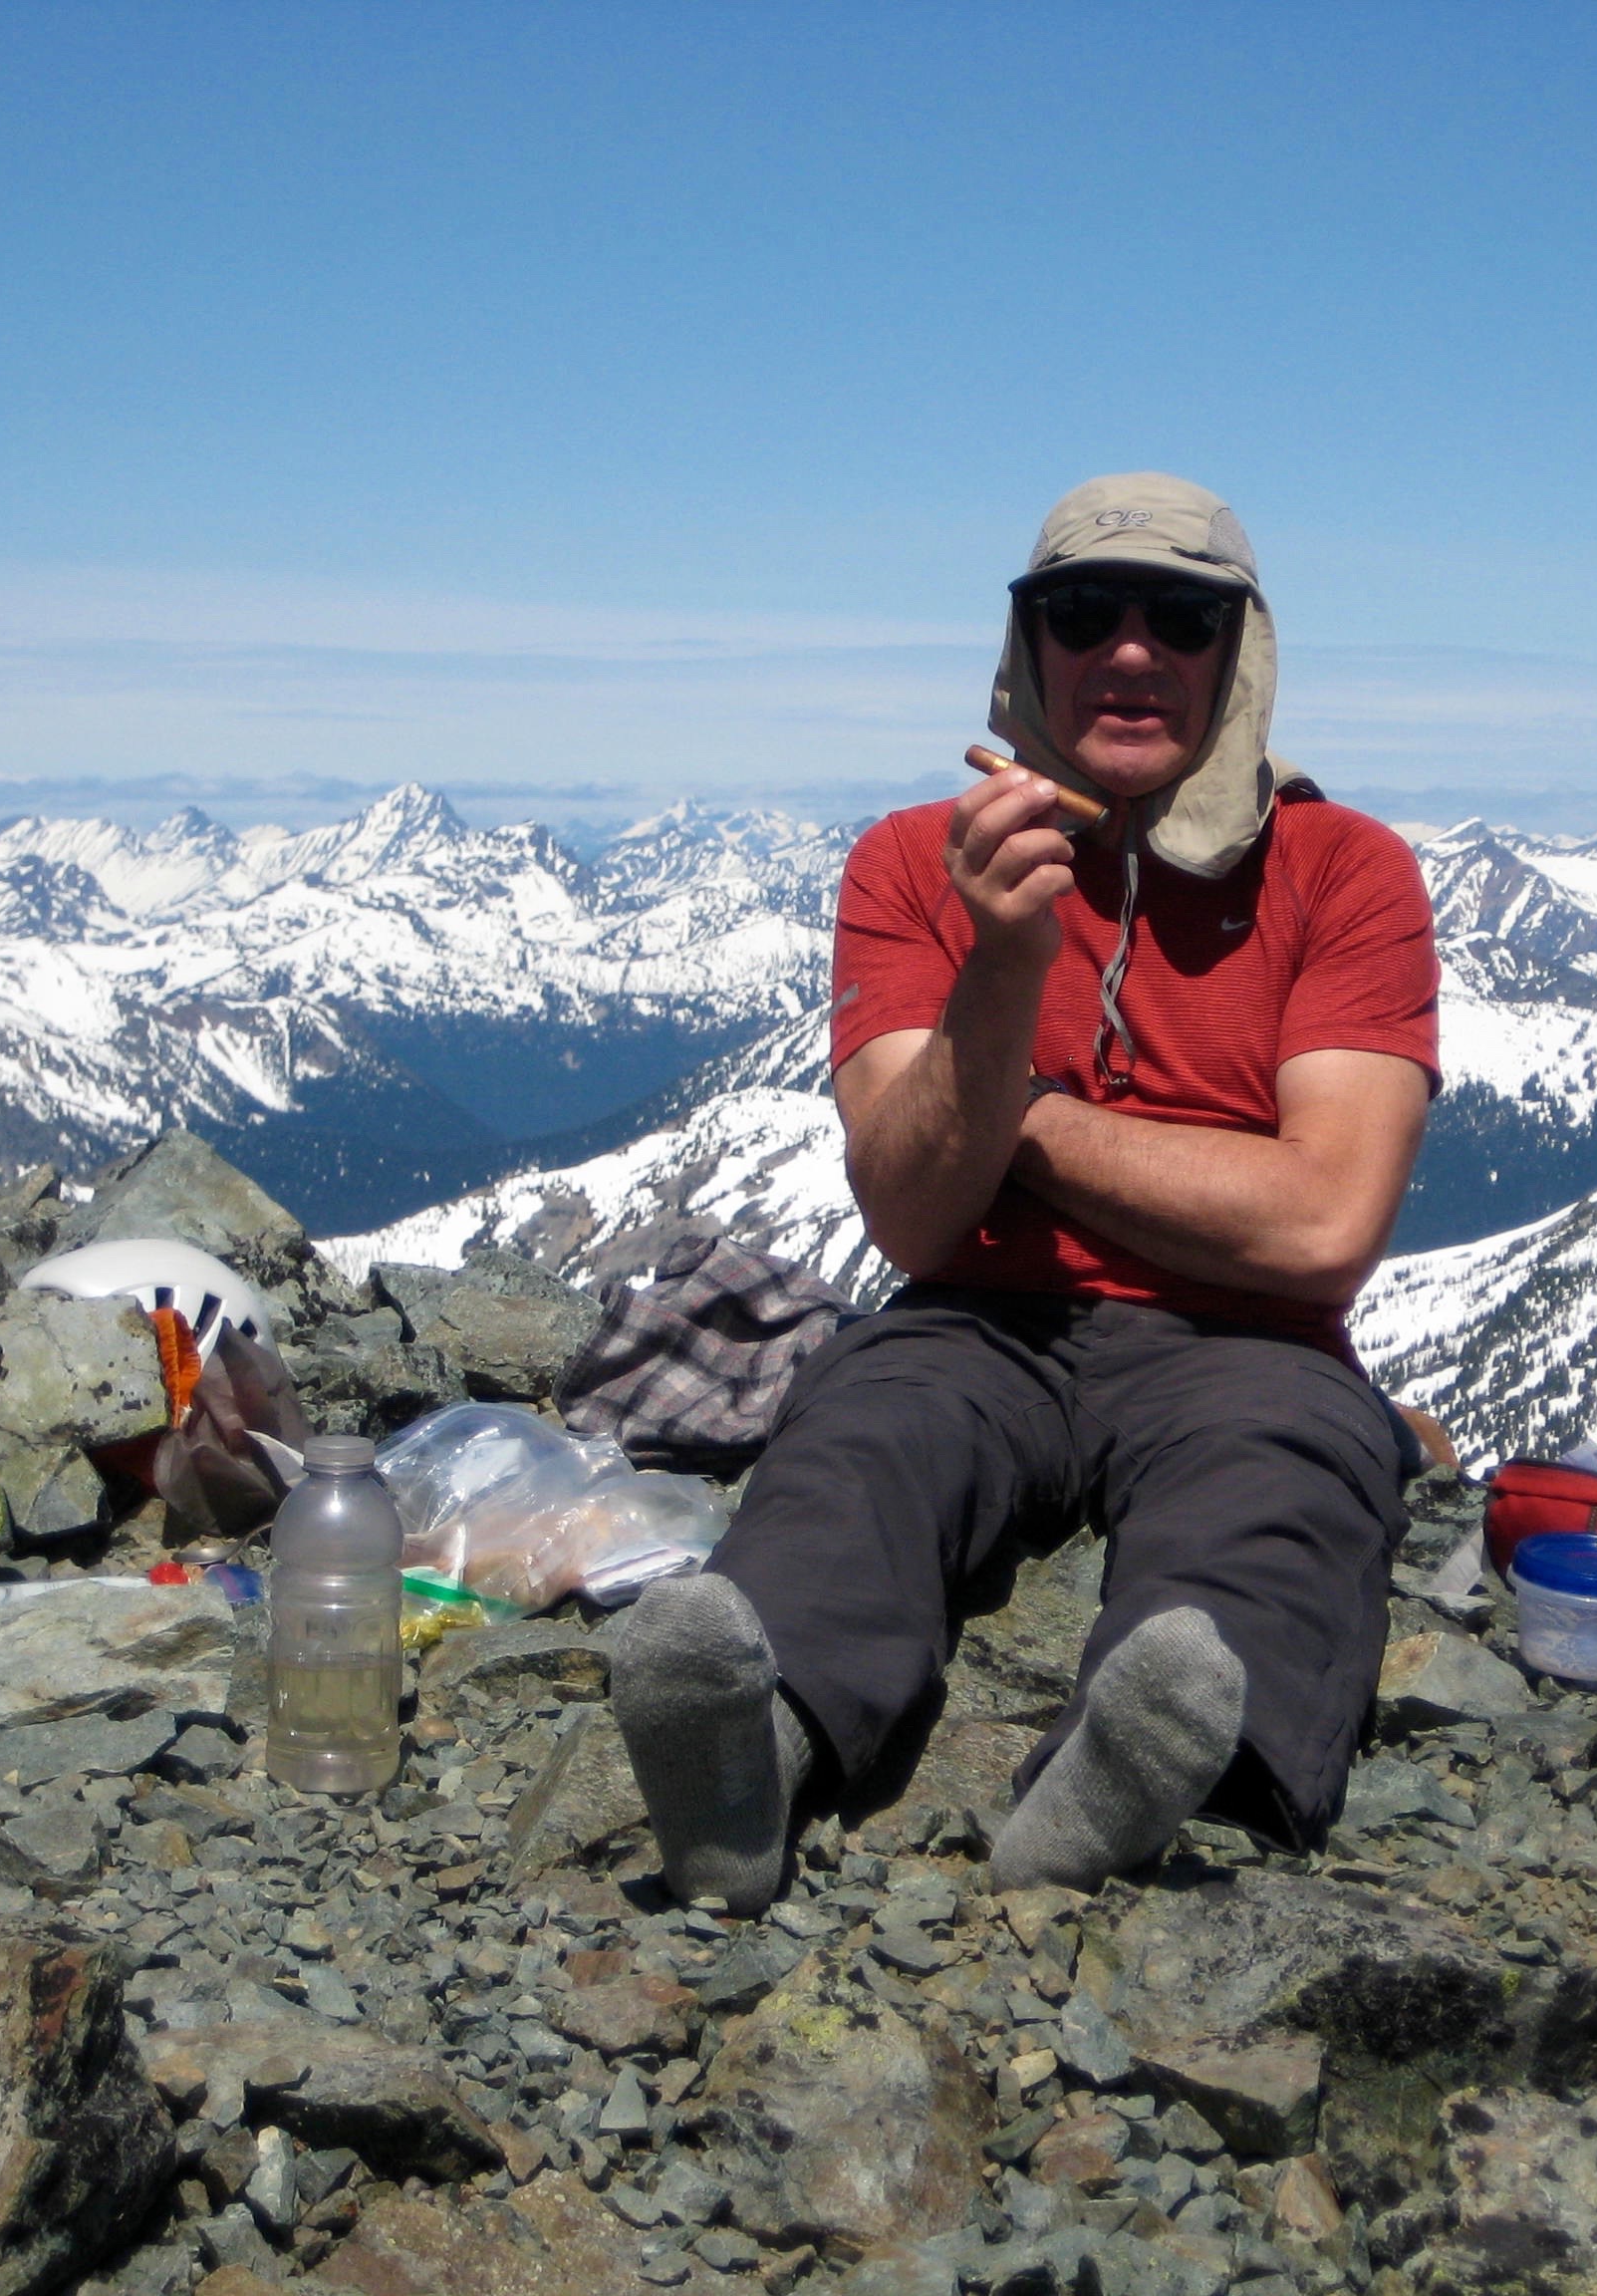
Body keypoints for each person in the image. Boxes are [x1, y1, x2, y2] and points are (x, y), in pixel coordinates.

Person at [609, 473, 1439, 1910]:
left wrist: (1027, 1120)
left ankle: (1127, 1778)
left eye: (1180, 616)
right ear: (1030, 647)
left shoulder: (1347, 873)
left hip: (1254, 1344)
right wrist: (1006, 963)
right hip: (977, 1312)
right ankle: (756, 1750)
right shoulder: (911, 867)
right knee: (862, 1444)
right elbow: (918, 1219)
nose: (1130, 650)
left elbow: (1321, 1230)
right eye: (1083, 612)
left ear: (1237, 652)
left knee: (1280, 1491)